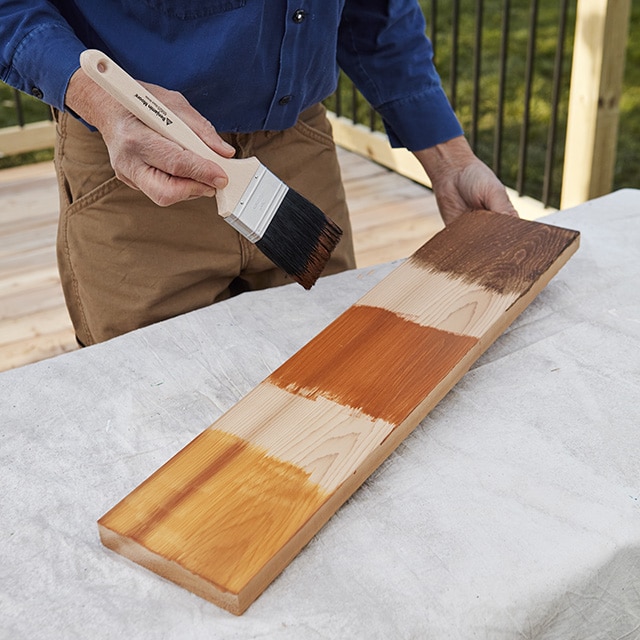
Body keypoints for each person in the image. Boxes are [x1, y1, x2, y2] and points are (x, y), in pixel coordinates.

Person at [0, 1, 517, 346]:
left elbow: (374, 8)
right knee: (162, 422)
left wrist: (450, 163)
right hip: (138, 166)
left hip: (299, 155)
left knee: (334, 376)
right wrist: (96, 97)